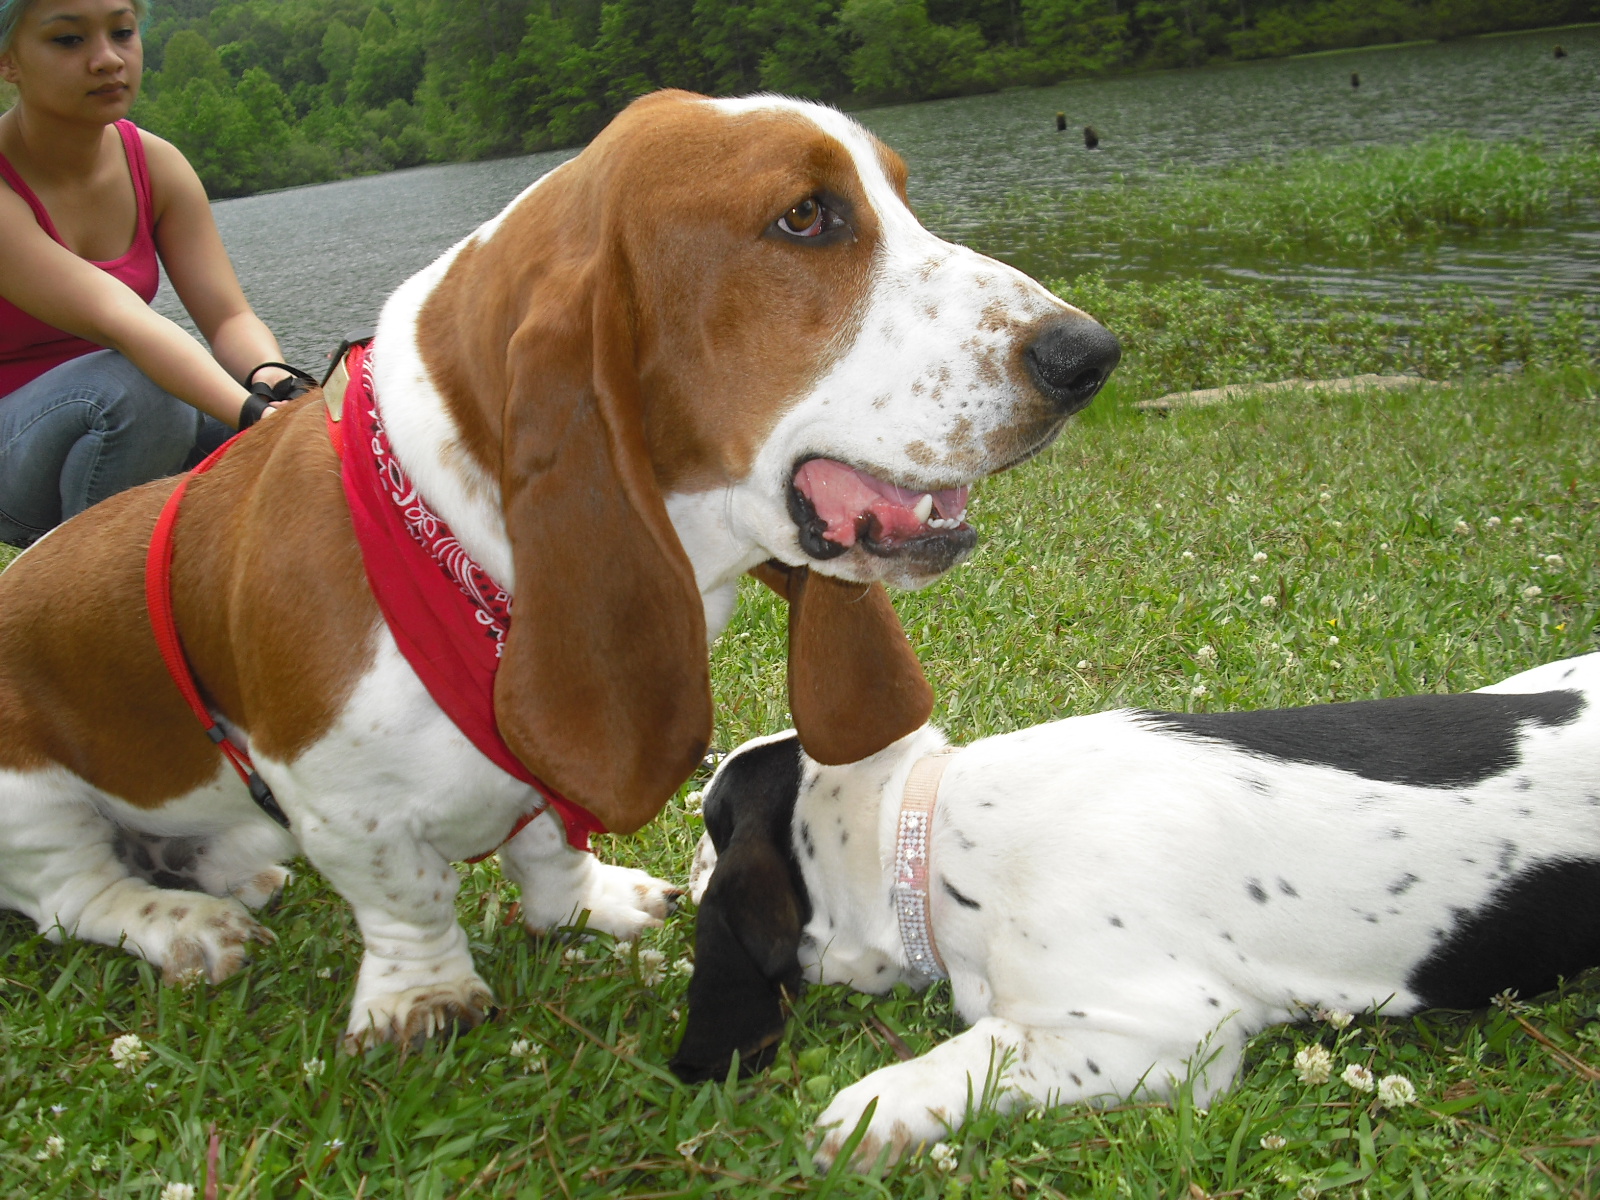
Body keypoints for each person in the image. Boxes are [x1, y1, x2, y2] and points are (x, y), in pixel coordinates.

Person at [0, 0, 302, 549]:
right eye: (68, 40)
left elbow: (230, 318)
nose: (107, 59)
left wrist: (276, 382)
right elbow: (119, 319)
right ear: (7, 60)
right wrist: (256, 415)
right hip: (18, 451)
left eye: (122, 32)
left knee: (290, 434)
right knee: (147, 394)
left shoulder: (156, 165)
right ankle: (81, 587)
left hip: (119, 426)